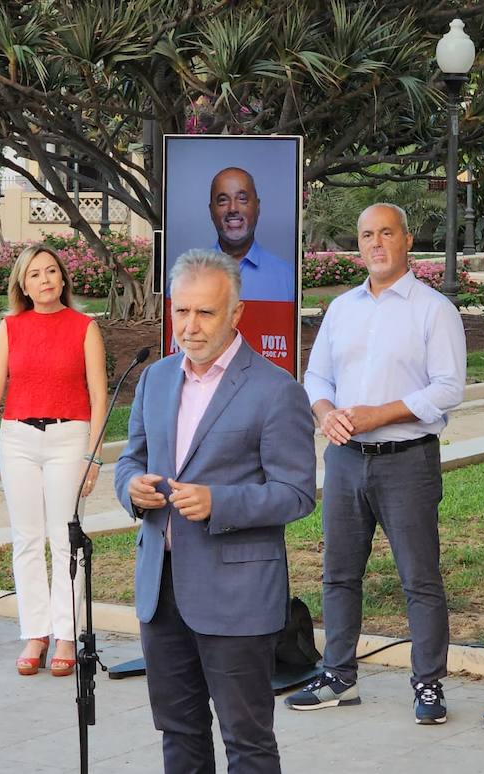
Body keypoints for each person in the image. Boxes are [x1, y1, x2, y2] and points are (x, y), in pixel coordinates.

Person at [114, 248, 316, 773]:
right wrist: (131, 488)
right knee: (178, 732)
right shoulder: (155, 379)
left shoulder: (277, 391)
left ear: (236, 314)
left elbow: (298, 493)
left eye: (205, 312)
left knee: (246, 740)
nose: (191, 326)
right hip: (161, 592)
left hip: (237, 597)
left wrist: (217, 502)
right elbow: (131, 458)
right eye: (181, 311)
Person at [289, 202, 466, 725]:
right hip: (345, 460)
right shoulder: (342, 308)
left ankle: (429, 684)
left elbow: (449, 387)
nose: (375, 243)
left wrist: (376, 416)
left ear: (407, 240)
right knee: (339, 576)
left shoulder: (434, 309)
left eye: (386, 233)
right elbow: (315, 377)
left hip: (406, 461)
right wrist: (327, 415)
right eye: (367, 235)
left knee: (420, 579)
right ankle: (339, 676)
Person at [0, 244, 108, 677]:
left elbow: (100, 396)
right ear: (22, 285)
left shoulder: (85, 327)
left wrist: (95, 457)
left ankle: (66, 634)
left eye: (52, 271)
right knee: (26, 539)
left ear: (63, 279)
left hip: (71, 438)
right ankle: (36, 632)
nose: (45, 280)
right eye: (35, 274)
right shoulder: (10, 328)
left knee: (65, 537)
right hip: (18, 440)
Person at [201, 166, 295, 302]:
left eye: (242, 198)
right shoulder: (186, 275)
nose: (232, 208)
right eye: (223, 200)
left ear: (257, 207)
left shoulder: (288, 278)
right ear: (211, 211)